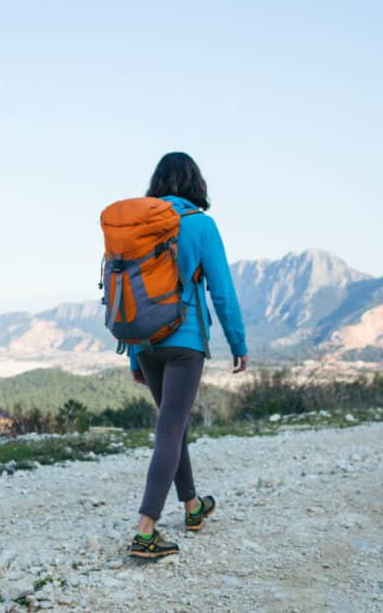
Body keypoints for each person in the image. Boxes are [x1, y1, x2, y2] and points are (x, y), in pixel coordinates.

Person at [126, 152, 249, 559]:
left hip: (145, 343)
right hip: (185, 342)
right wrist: (238, 344)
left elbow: (127, 295)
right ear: (196, 183)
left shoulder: (138, 228)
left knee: (172, 427)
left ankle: (193, 507)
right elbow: (223, 292)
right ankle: (145, 532)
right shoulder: (200, 225)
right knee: (169, 430)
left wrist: (134, 357)